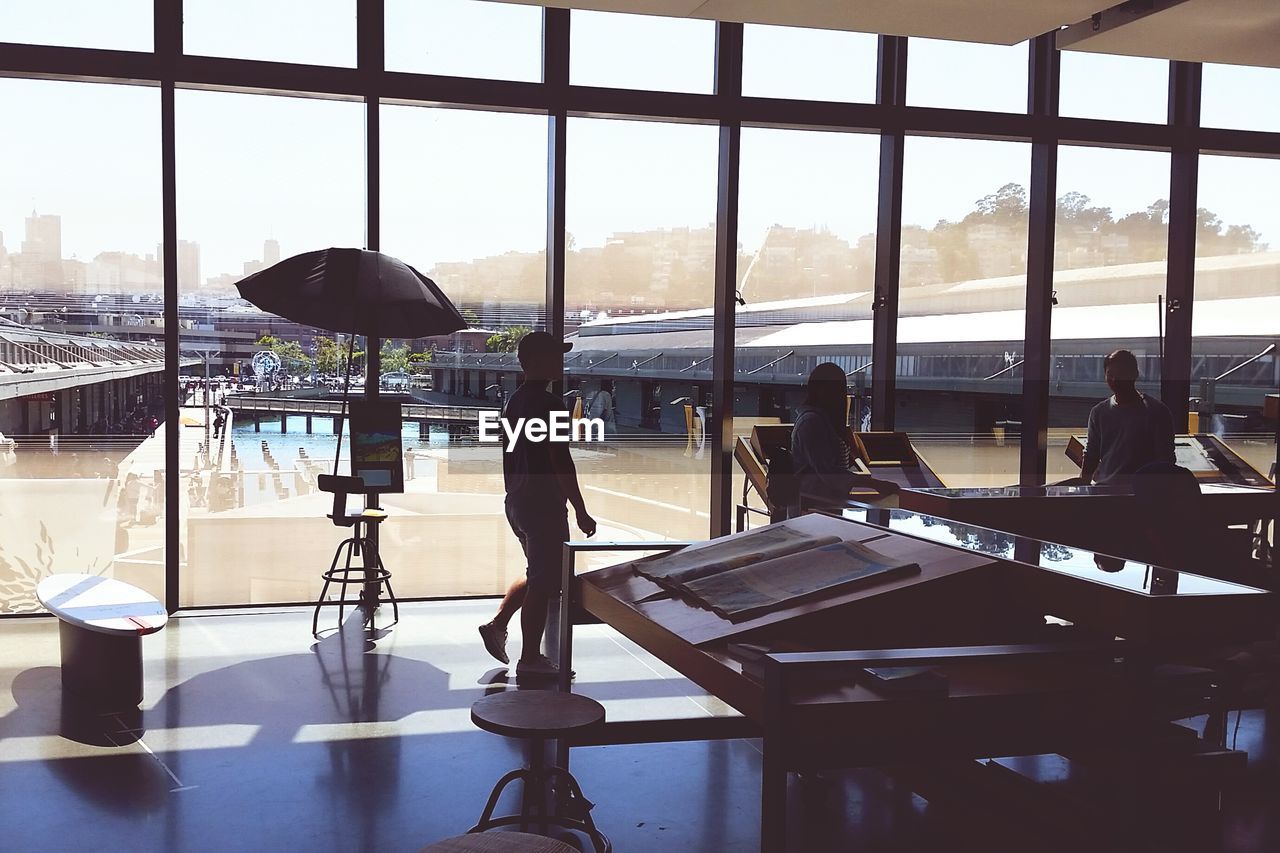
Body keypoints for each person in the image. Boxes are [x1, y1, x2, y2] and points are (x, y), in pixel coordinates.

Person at [479, 331, 597, 678]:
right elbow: (560, 460)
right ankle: (530, 658)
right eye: (555, 356)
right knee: (544, 582)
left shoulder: (514, 401)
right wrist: (580, 507)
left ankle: (497, 624)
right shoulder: (549, 405)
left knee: (539, 572)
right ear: (537, 361)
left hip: (516, 500)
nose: (561, 362)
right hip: (542, 505)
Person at [790, 363, 898, 511]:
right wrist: (875, 484)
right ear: (821, 391)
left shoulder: (818, 421)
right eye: (837, 389)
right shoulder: (812, 422)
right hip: (814, 507)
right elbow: (829, 474)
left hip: (821, 504)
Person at [1080, 349, 1175, 486]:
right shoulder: (1098, 412)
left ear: (1134, 374)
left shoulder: (1157, 412)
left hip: (1139, 493)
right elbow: (1091, 456)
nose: (1114, 379)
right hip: (1124, 492)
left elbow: (1165, 460)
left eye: (1120, 374)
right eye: (1110, 374)